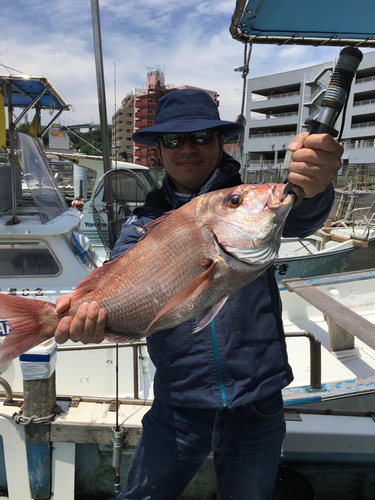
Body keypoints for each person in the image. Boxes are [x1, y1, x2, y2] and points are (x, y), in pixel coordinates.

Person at [55, 89, 343, 499]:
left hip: (258, 402)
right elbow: (118, 291)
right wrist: (89, 322)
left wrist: (316, 185)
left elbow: (303, 211)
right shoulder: (141, 225)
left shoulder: (245, 199)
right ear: (158, 151)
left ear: (220, 142)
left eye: (202, 137)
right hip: (178, 405)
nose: (187, 148)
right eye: (173, 140)